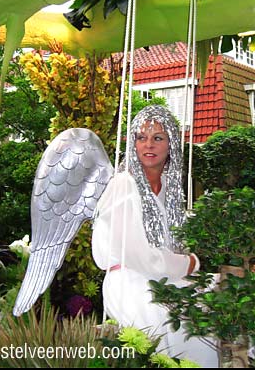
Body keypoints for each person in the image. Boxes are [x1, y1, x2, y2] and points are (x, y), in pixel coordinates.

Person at [91, 105, 218, 367]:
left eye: (158, 138)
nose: (148, 144)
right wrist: (190, 263)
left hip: (163, 278)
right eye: (141, 137)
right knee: (177, 328)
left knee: (220, 297)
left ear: (171, 143)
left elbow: (172, 247)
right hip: (130, 281)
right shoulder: (123, 184)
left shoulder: (170, 191)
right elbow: (137, 255)